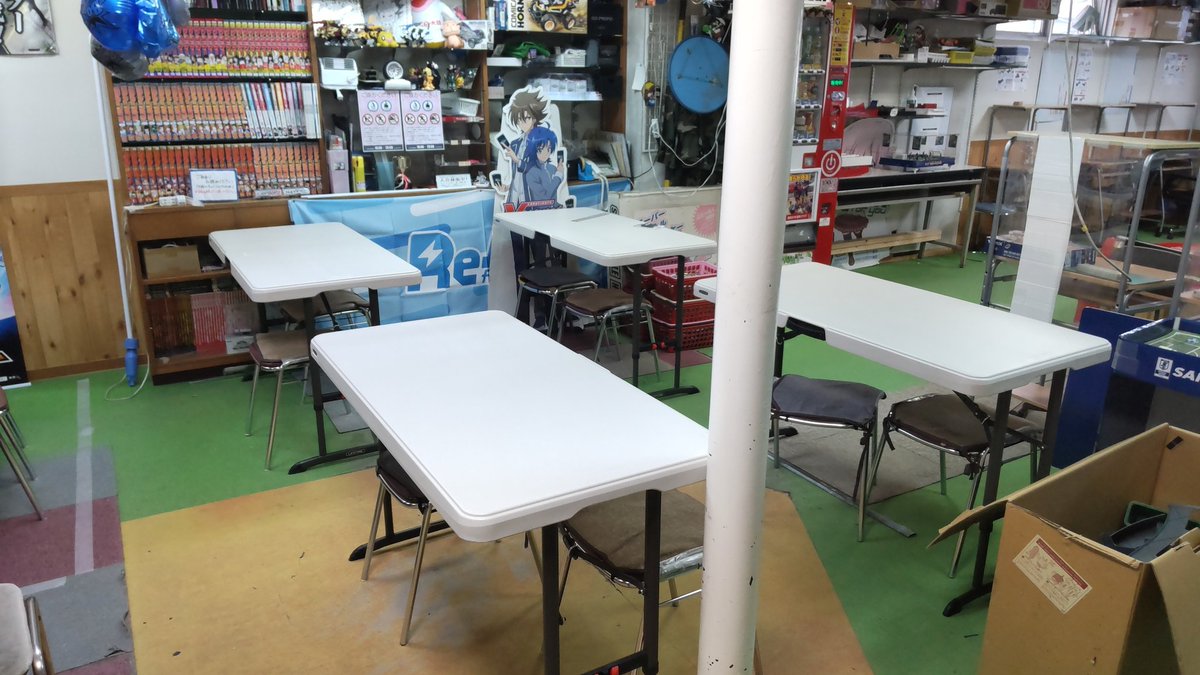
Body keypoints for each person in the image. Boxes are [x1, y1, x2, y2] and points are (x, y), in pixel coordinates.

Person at [519, 126, 564, 204]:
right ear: (533, 150)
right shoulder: (531, 173)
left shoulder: (553, 168)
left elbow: (556, 192)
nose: (545, 153)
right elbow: (545, 197)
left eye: (548, 149)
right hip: (540, 209)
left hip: (555, 208)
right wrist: (558, 176)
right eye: (540, 149)